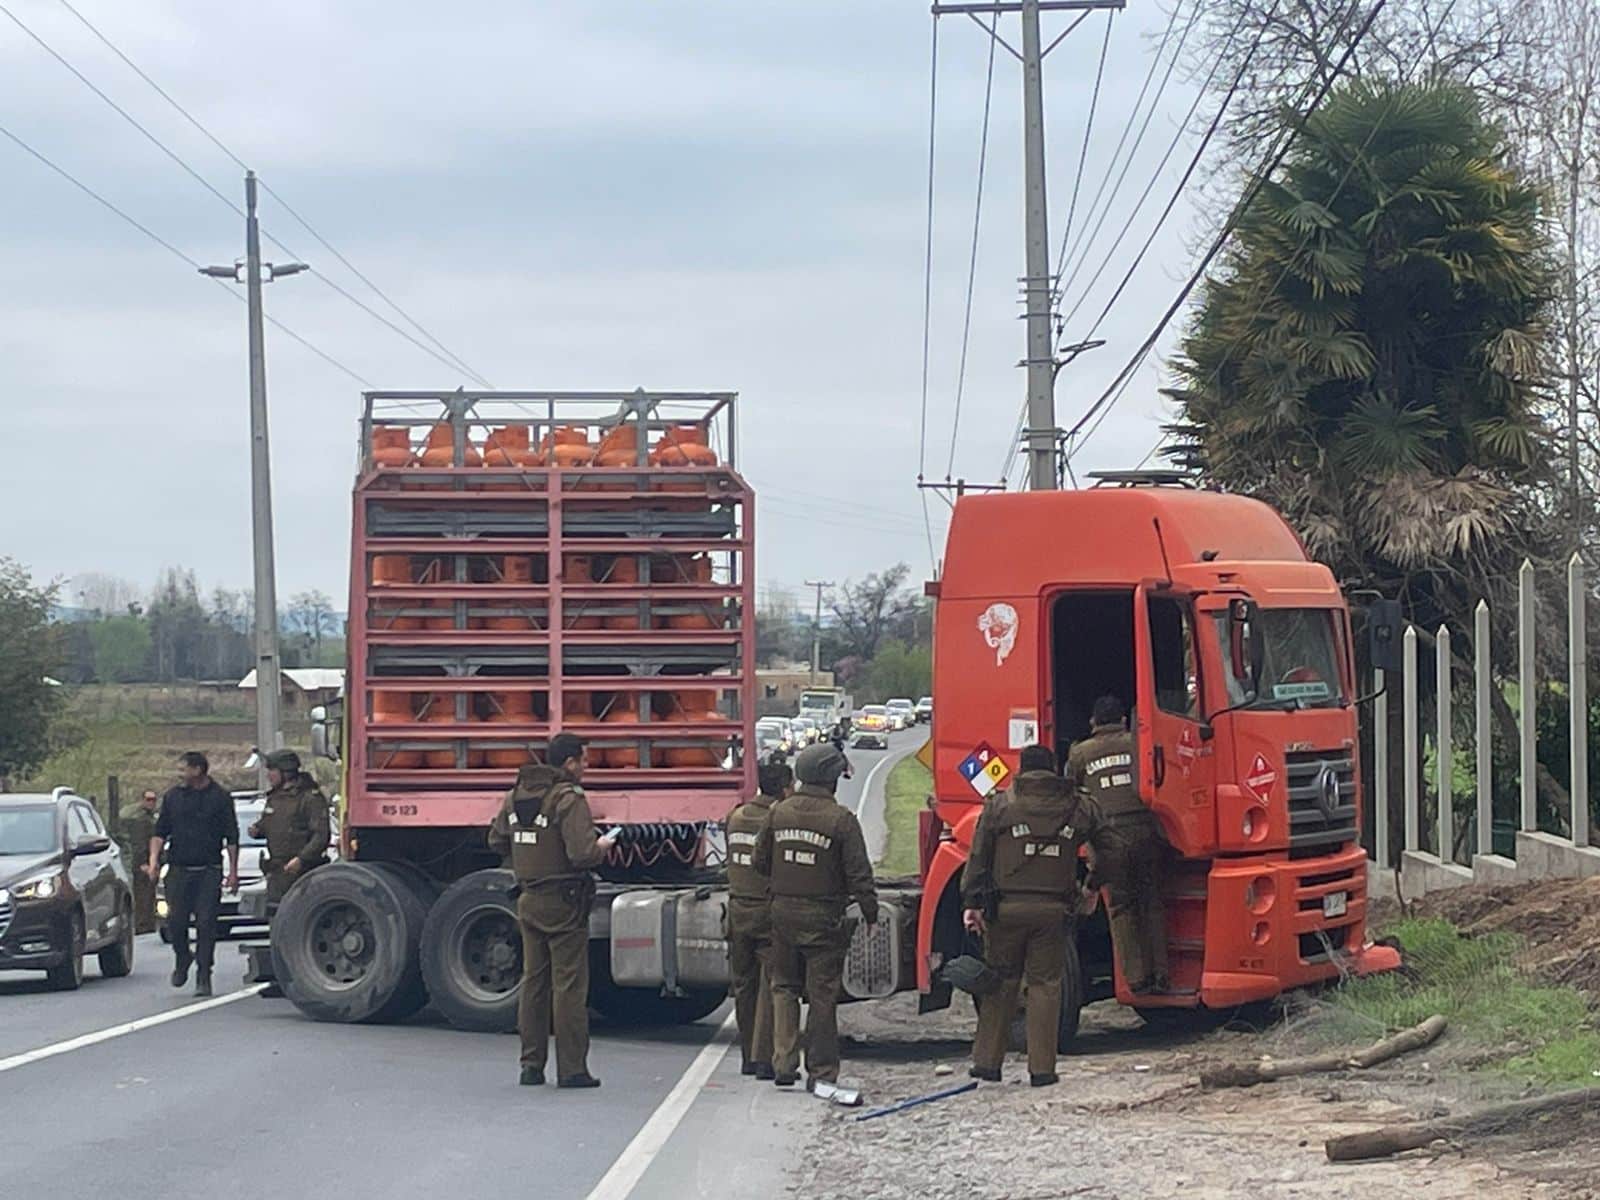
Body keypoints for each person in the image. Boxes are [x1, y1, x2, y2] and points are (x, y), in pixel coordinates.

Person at [488, 734, 618, 1089]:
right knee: (569, 986)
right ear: (569, 763)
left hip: (529, 898)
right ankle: (572, 1068)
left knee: (534, 983)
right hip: (565, 900)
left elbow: (496, 840)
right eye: (584, 760)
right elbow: (582, 854)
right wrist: (602, 845)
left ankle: (531, 1065)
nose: (587, 767)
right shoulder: (568, 798)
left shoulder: (516, 795)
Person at [961, 744, 1090, 1087]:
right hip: (1054, 910)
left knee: (1001, 982)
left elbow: (979, 857)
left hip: (1005, 911)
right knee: (1045, 986)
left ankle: (987, 1063)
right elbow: (1110, 844)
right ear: (1053, 769)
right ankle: (1042, 1069)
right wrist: (1091, 886)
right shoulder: (1077, 805)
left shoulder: (1000, 805)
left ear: (1022, 769)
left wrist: (972, 903)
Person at [754, 741, 877, 1090]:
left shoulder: (777, 813)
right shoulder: (841, 820)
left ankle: (783, 1062)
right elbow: (859, 874)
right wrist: (869, 913)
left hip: (781, 914)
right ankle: (821, 1071)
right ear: (831, 780)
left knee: (784, 988)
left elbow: (760, 862)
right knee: (822, 995)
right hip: (824, 919)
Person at [1065, 694, 1170, 994]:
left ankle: (1137, 979)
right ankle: (1162, 973)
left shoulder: (1080, 753)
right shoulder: (1138, 743)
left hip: (1110, 839)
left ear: (1093, 723)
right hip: (1147, 832)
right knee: (1151, 902)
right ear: (1123, 721)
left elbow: (1071, 792)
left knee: (1122, 907)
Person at [148, 751, 239, 997]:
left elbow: (231, 836)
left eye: (184, 768)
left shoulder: (220, 798)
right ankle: (183, 956)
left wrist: (233, 872)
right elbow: (160, 832)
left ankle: (204, 974)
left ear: (198, 770)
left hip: (208, 870)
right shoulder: (174, 797)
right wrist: (154, 861)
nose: (181, 773)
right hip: (178, 869)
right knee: (175, 921)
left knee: (206, 923)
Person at [725, 752, 790, 1080]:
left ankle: (746, 1057)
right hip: (766, 910)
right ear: (783, 789)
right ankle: (763, 1057)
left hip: (737, 911)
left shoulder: (735, 817)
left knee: (743, 986)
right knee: (771, 985)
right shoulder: (776, 821)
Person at [251, 750, 331, 906]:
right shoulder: (275, 798)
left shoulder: (309, 798)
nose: (269, 776)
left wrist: (302, 859)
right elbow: (270, 823)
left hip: (302, 873)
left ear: (286, 773)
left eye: (272, 771)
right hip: (277, 873)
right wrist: (257, 830)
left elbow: (320, 835)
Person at [118, 789, 161, 934]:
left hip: (153, 859)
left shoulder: (150, 818)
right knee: (142, 893)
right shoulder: (140, 820)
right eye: (148, 799)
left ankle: (149, 923)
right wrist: (143, 863)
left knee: (151, 893)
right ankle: (142, 924)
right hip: (143, 861)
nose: (151, 802)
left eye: (153, 799)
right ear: (142, 800)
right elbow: (139, 843)